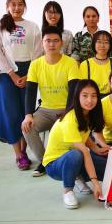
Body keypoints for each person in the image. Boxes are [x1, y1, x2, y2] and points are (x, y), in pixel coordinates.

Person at [0, 0, 42, 170]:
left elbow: (38, 52)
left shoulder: (33, 26)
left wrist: (29, 75)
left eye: (20, 4)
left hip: (29, 71)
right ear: (7, 6)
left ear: (24, 6)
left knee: (26, 112)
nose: (17, 8)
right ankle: (18, 155)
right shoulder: (0, 25)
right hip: (6, 73)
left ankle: (25, 151)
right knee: (11, 113)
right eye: (13, 4)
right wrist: (12, 74)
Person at [22, 30, 80, 177]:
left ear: (61, 43)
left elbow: (74, 91)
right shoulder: (35, 64)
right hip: (45, 111)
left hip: (66, 110)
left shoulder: (70, 63)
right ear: (42, 43)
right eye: (48, 40)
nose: (52, 44)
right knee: (27, 127)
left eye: (55, 40)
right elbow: (30, 92)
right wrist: (28, 115)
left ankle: (59, 161)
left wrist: (67, 113)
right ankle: (46, 162)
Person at [43, 80, 108, 209]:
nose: (89, 100)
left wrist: (96, 148)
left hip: (78, 157)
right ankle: (68, 190)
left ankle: (77, 175)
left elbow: (83, 136)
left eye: (93, 96)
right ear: (77, 97)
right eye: (85, 95)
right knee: (76, 154)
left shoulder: (88, 114)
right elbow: (84, 152)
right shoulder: (70, 119)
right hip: (55, 165)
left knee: (108, 168)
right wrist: (96, 184)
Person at [78, 30, 112, 97]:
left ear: (110, 45)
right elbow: (81, 89)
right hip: (91, 99)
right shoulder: (85, 64)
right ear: (94, 44)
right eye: (99, 42)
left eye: (106, 42)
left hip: (111, 99)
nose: (102, 45)